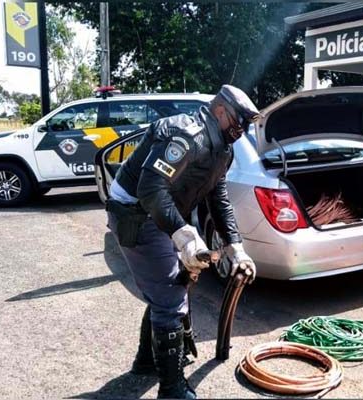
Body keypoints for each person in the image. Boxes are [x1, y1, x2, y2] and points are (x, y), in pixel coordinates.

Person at [106, 85, 259, 399]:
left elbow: (219, 198)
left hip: (163, 211)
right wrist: (183, 235)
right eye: (238, 121)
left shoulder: (223, 151)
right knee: (170, 297)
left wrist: (236, 245)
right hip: (135, 212)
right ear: (220, 111)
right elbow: (150, 189)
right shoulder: (186, 135)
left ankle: (147, 360)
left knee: (168, 287)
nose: (241, 130)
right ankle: (172, 389)